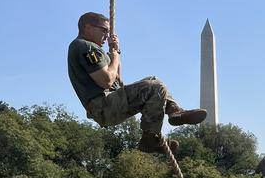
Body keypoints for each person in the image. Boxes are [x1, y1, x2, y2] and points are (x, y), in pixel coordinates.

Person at [67, 12, 206, 153]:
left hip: (109, 104)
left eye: (108, 32)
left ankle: (174, 111)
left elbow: (117, 82)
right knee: (155, 87)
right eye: (104, 30)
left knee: (152, 80)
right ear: (88, 27)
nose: (107, 35)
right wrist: (114, 57)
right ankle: (150, 137)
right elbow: (107, 81)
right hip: (103, 106)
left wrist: (116, 52)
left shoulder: (92, 48)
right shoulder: (85, 47)